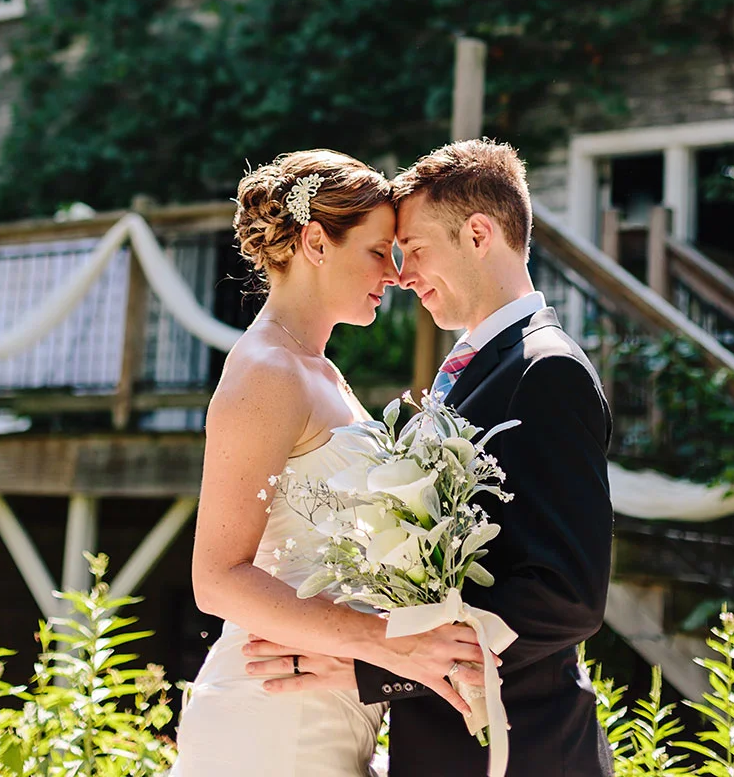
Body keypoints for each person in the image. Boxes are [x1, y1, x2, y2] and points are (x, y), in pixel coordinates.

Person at [245, 138, 615, 777]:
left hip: (523, 750)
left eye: (414, 249)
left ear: (478, 234)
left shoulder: (545, 370)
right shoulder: (476, 370)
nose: (402, 273)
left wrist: (374, 663)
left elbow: (565, 598)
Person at [174, 148, 488, 777]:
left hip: (332, 705)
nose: (396, 274)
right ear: (316, 243)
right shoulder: (266, 372)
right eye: (377, 251)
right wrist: (392, 645)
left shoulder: (320, 372)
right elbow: (217, 579)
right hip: (271, 720)